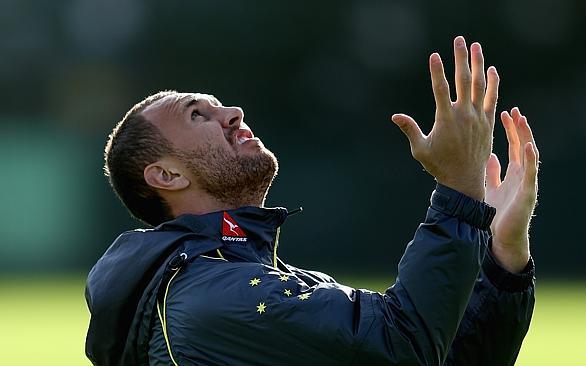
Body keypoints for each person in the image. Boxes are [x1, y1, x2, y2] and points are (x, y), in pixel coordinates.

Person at [85, 36, 538, 365]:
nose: (232, 113)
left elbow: (438, 356)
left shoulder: (256, 277)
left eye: (219, 104)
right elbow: (404, 347)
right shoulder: (206, 298)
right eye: (198, 114)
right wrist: (459, 191)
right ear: (167, 175)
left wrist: (503, 256)